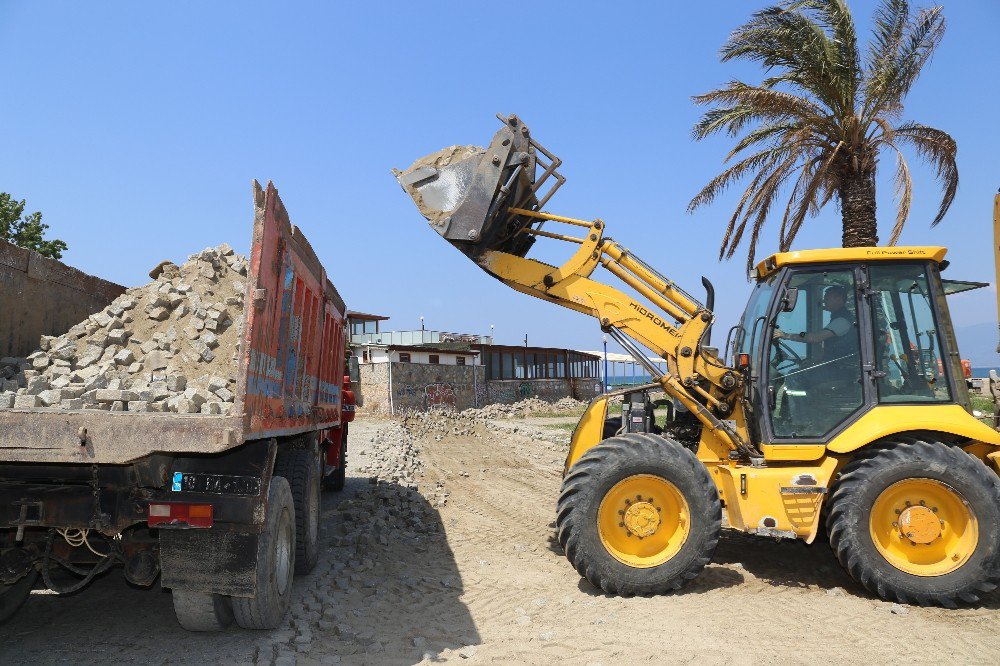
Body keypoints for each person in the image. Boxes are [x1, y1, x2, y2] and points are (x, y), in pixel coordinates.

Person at [774, 285, 854, 361]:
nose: (824, 301)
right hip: (835, 366)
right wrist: (816, 362)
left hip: (841, 370)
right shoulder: (838, 319)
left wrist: (786, 335)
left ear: (839, 300)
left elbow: (815, 338)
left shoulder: (843, 321)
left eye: (827, 298)